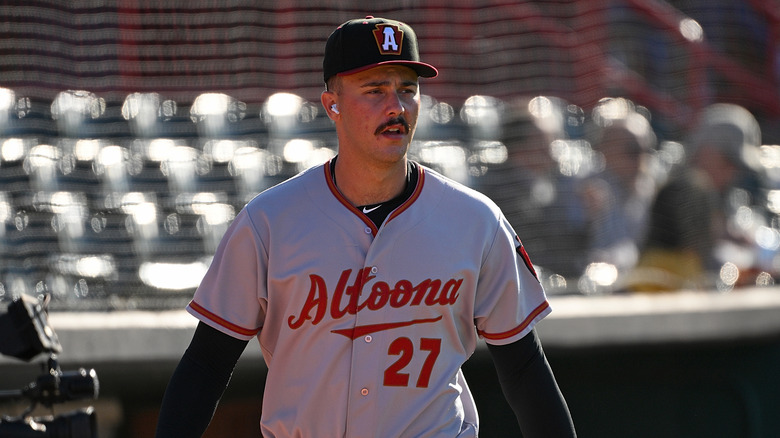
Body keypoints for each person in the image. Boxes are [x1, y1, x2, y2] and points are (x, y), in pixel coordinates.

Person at [155, 16, 576, 437]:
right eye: (375, 90)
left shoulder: (476, 221)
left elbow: (523, 368)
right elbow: (207, 363)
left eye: (407, 91)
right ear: (332, 103)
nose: (396, 106)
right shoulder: (269, 222)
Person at [627, 103, 763, 292]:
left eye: (737, 168)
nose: (732, 174)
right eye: (728, 161)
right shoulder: (662, 187)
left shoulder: (727, 196)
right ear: (705, 150)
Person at [478, 96, 589, 281]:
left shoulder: (559, 183)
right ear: (520, 145)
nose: (554, 147)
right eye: (547, 138)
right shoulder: (497, 189)